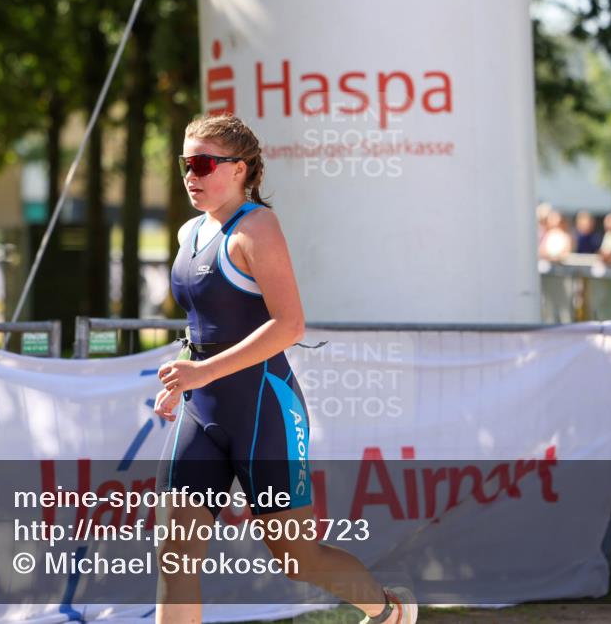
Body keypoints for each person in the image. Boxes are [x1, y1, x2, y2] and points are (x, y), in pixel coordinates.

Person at [153, 114, 417, 624]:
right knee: (175, 555)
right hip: (201, 412)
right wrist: (185, 371)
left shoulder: (257, 227)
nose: (191, 174)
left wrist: (203, 374)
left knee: (297, 559)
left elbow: (290, 325)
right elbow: (202, 325)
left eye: (204, 163)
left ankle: (388, 611)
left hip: (262, 412)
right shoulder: (189, 232)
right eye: (186, 163)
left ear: (241, 169)